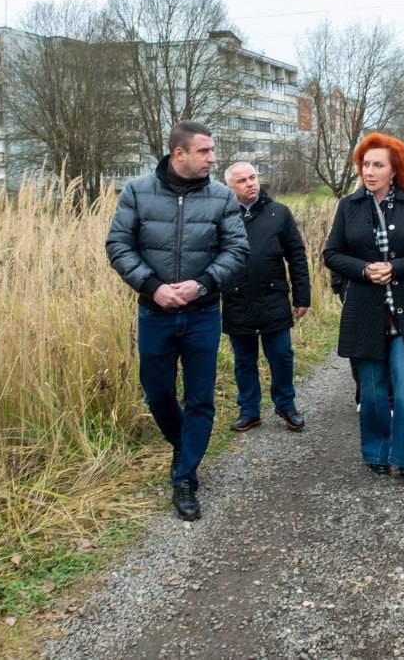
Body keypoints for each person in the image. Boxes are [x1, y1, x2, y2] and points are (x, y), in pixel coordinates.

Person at [105, 121, 248, 521]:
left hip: (202, 312)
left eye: (212, 150)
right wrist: (152, 286)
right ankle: (183, 443)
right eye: (204, 151)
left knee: (200, 397)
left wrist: (201, 285)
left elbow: (237, 250)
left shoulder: (221, 198)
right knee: (156, 392)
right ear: (178, 153)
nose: (212, 158)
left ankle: (185, 477)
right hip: (155, 312)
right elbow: (118, 244)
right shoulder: (137, 191)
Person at [323, 133, 404, 485]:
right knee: (372, 387)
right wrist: (362, 269)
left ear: (394, 170)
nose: (369, 171)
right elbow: (331, 254)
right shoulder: (349, 206)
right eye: (365, 164)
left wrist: (396, 268)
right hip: (365, 310)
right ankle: (376, 451)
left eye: (378, 165)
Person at [221, 162, 312, 433]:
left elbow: (296, 256)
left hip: (273, 297)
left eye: (253, 177)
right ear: (230, 187)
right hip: (237, 299)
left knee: (282, 355)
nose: (250, 183)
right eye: (242, 180)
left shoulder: (279, 213)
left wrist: (302, 296)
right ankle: (249, 411)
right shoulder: (223, 217)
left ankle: (286, 404)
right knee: (244, 360)